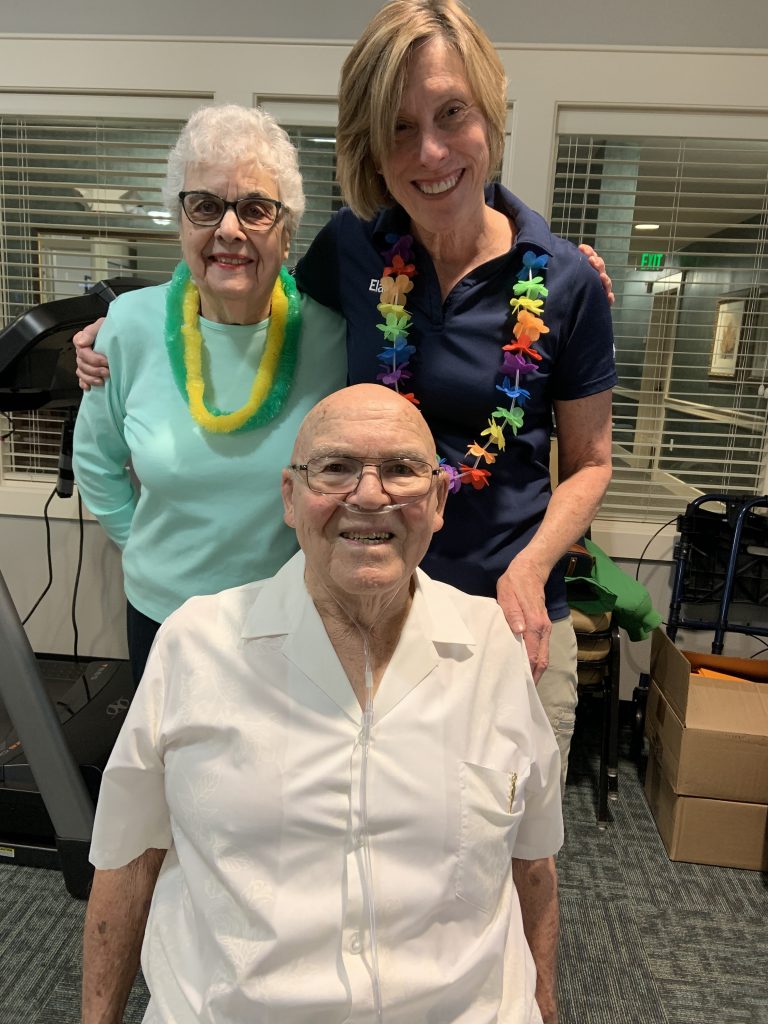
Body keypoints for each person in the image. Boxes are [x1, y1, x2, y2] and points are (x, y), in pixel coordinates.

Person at [73, 1, 616, 783]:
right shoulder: (355, 249)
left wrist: (529, 568)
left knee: (506, 847)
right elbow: (242, 287)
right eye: (398, 127)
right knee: (363, 841)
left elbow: (592, 460)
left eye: (451, 113)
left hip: (507, 613)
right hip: (368, 614)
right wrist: (120, 326)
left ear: (490, 115)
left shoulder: (562, 280)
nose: (428, 151)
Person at [82, 383, 564, 1024]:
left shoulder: (490, 650)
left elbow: (531, 860)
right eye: (335, 468)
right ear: (290, 497)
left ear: (439, 500)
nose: (369, 496)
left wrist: (545, 1008)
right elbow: (127, 857)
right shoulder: (196, 646)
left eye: (401, 469)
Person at [72, 105, 347, 683]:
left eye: (255, 209)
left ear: (287, 228)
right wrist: (148, 552)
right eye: (205, 206)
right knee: (173, 770)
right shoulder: (128, 325)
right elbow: (95, 462)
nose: (229, 230)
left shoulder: (334, 338)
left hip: (289, 617)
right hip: (163, 618)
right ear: (181, 222)